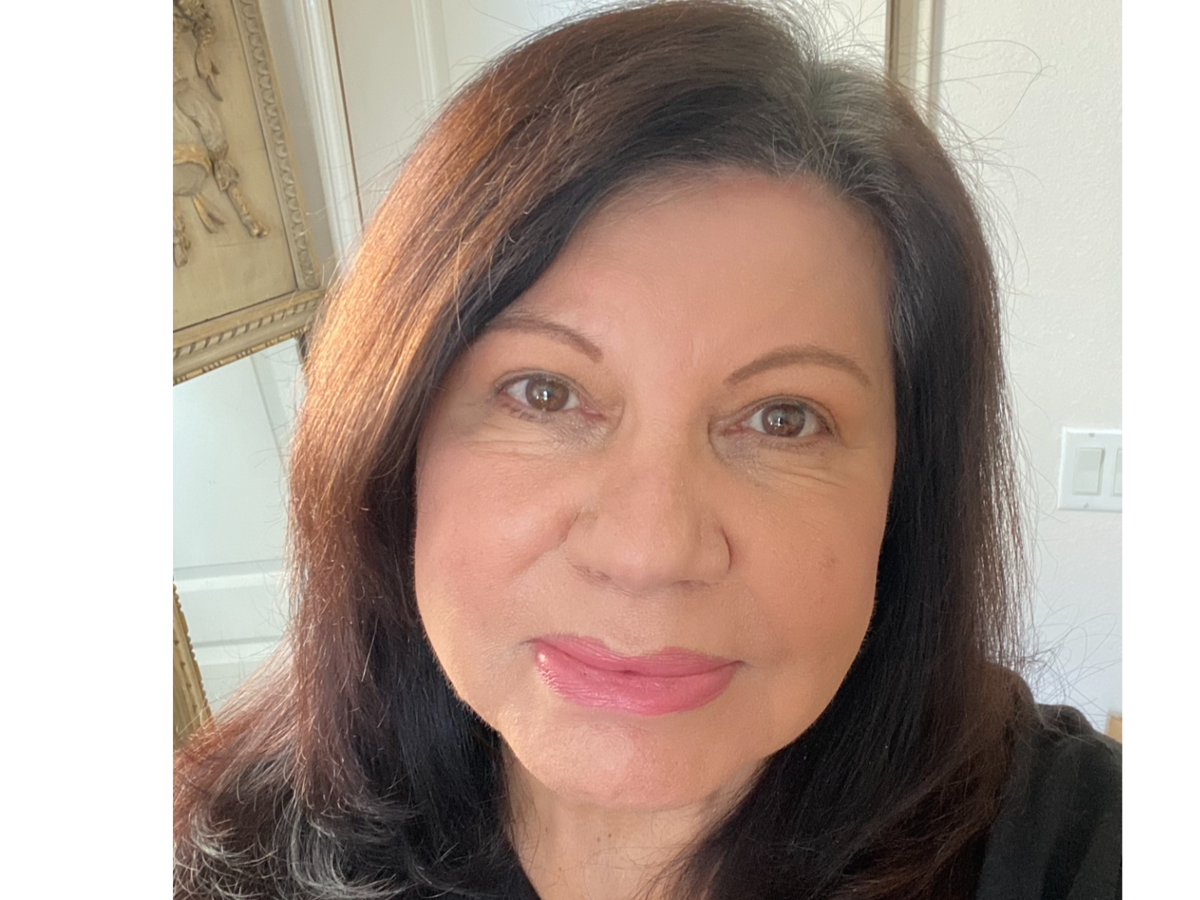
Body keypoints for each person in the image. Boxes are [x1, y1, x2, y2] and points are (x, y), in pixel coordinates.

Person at [173, 2, 1120, 898]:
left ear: (905, 490)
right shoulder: (229, 855)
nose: (648, 551)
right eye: (545, 394)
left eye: (782, 418)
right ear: (392, 444)